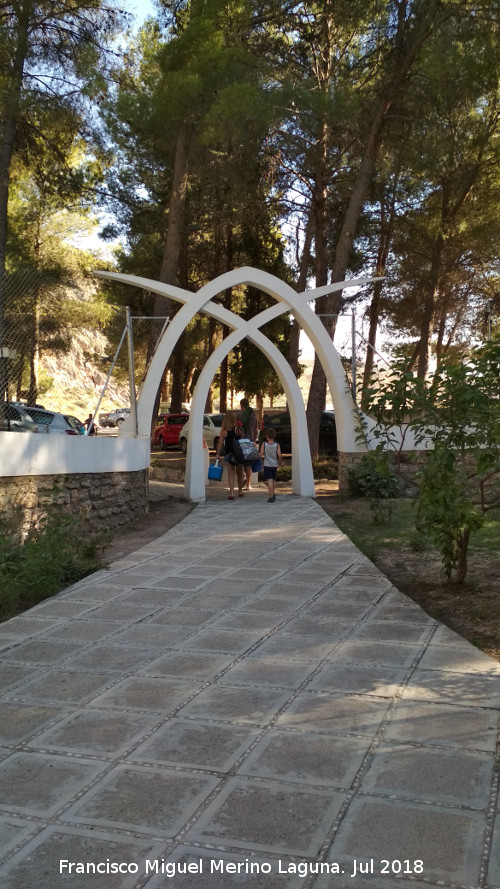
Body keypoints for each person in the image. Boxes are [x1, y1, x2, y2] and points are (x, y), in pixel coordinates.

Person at [215, 411, 245, 500]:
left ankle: (231, 493)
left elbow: (220, 443)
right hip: (239, 454)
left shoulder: (223, 431)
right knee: (239, 473)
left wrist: (217, 454)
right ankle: (240, 491)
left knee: (230, 473)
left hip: (228, 453)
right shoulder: (238, 429)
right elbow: (243, 440)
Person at [239, 398, 258, 491]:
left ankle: (242, 477)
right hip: (250, 441)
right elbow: (255, 430)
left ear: (241, 405)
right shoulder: (253, 416)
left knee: (239, 462)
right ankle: (248, 484)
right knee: (248, 464)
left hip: (240, 441)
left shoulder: (239, 415)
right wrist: (254, 440)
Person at [259, 426, 282, 503]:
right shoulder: (277, 445)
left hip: (267, 465)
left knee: (269, 481)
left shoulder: (264, 444)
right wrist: (280, 463)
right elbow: (279, 455)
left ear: (266, 436)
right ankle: (273, 493)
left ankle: (271, 496)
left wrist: (259, 454)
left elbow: (261, 454)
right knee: (273, 480)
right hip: (274, 465)